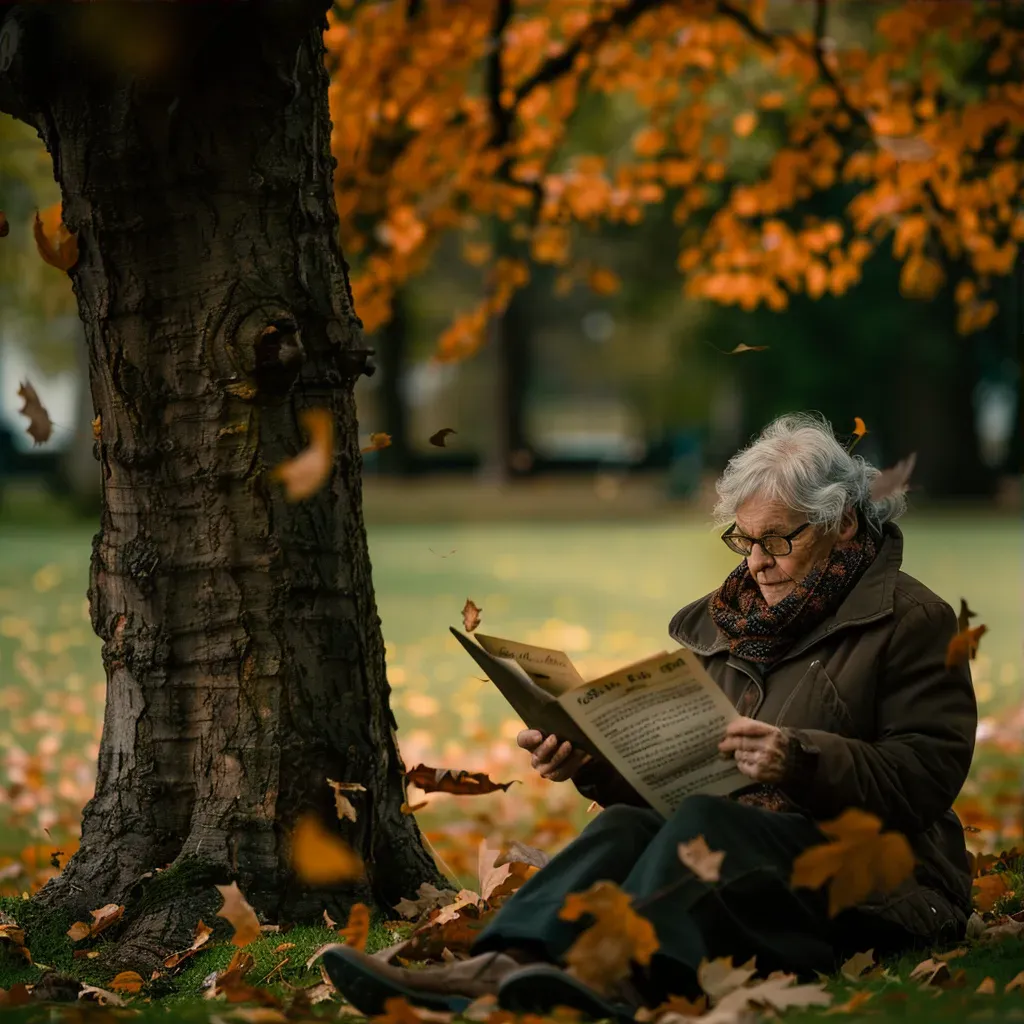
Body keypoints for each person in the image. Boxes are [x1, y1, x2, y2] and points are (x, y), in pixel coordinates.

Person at [324, 412, 977, 1022]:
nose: (755, 561)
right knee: (629, 823)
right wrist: (594, 764)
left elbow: (926, 777)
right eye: (743, 539)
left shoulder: (911, 619)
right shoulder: (726, 621)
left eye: (778, 539)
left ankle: (619, 974)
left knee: (709, 823)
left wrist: (798, 760)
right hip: (746, 863)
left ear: (844, 526)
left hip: (876, 881)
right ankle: (504, 963)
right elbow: (683, 778)